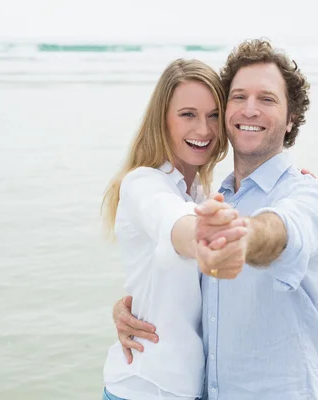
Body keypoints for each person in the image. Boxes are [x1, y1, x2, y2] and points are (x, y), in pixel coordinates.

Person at [112, 39, 318, 400]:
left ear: (291, 117)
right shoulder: (211, 196)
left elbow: (283, 229)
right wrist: (133, 306)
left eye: (267, 99)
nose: (250, 109)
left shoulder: (308, 194)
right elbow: (172, 236)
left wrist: (243, 238)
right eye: (238, 97)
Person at [100, 58, 253, 400]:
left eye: (214, 115)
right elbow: (172, 222)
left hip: (190, 389)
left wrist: (289, 185)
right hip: (145, 389)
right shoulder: (143, 184)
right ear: (163, 121)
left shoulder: (200, 191)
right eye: (188, 114)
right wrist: (202, 239)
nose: (204, 129)